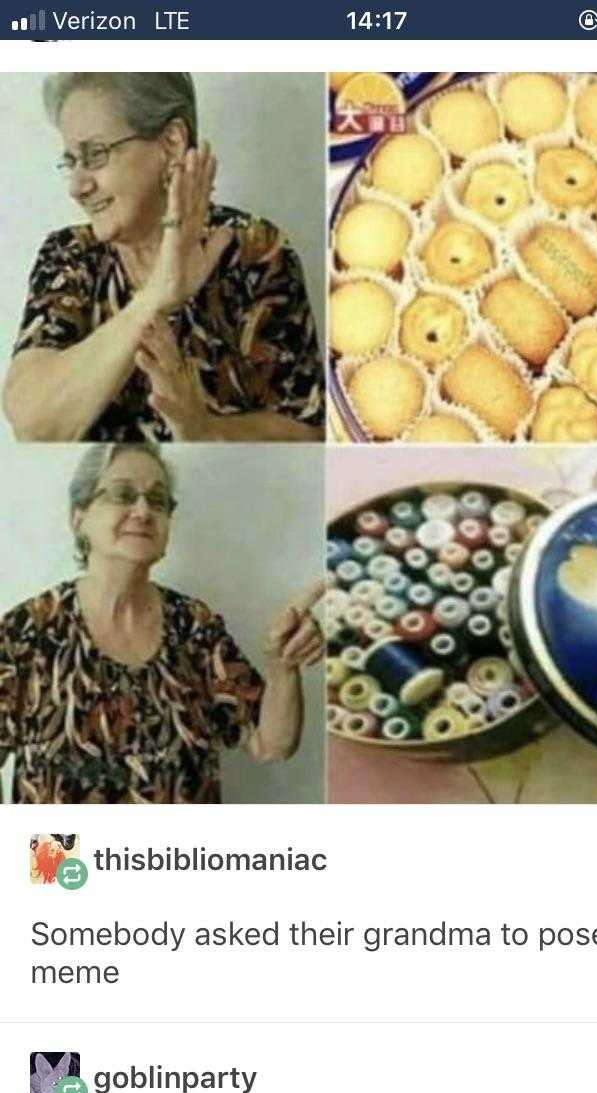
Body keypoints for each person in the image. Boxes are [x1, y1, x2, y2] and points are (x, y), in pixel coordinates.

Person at [3, 73, 324, 443]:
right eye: (71, 160)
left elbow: (305, 429)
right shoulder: (69, 256)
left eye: (95, 155)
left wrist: (204, 431)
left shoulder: (252, 248)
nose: (77, 186)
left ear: (170, 143)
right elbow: (35, 425)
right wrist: (156, 295)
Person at [0, 442, 324, 802]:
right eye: (123, 494)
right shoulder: (26, 632)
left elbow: (272, 745)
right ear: (79, 518)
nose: (142, 511)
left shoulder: (195, 627)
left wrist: (282, 668)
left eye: (157, 501)